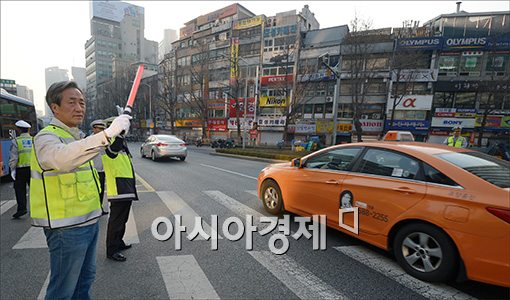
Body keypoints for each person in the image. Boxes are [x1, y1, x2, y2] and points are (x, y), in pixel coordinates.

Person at [30, 80, 131, 300]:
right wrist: (106, 134)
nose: (79, 108)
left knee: (84, 282)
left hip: (88, 223)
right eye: (72, 102)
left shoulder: (77, 137)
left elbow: (99, 158)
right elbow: (61, 159)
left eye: (82, 103)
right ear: (54, 107)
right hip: (66, 229)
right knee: (63, 291)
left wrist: (115, 137)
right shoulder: (46, 137)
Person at [102, 117, 138, 262]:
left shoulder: (120, 142)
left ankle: (119, 242)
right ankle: (112, 249)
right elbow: (111, 152)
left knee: (123, 218)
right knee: (116, 219)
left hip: (126, 184)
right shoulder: (109, 140)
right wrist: (120, 134)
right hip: (118, 186)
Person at [9, 120, 33, 219]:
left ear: (18, 130)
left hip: (21, 170)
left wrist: (12, 170)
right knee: (35, 190)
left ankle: (22, 209)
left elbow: (14, 158)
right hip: (33, 169)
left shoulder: (16, 141)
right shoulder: (34, 140)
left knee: (20, 190)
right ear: (28, 130)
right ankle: (37, 209)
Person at [90, 119, 108, 214]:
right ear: (94, 129)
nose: (101, 130)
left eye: (102, 129)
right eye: (99, 128)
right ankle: (93, 209)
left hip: (102, 170)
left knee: (101, 191)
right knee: (93, 191)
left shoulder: (106, 139)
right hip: (92, 170)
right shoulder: (89, 140)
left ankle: (99, 208)